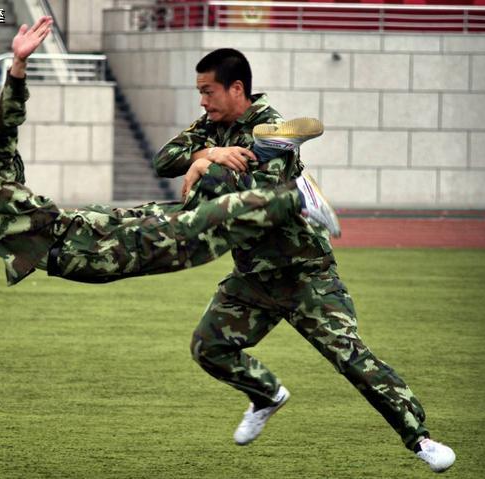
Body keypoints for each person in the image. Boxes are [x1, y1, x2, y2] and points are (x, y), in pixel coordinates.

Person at [153, 48, 455, 473]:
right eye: (199, 92)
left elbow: (251, 191)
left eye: (208, 91)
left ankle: (421, 439)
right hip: (255, 278)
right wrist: (209, 155)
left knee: (351, 358)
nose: (202, 101)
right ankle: (266, 396)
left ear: (236, 88)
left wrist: (206, 169)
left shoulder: (272, 129)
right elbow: (163, 159)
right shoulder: (211, 127)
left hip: (304, 274)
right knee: (209, 347)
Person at [0, 17, 338, 290]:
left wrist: (16, 68)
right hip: (81, 229)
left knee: (189, 230)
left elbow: (3, 130)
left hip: (79, 245)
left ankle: (297, 196)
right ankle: (276, 182)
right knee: (181, 212)